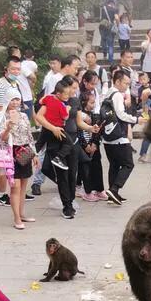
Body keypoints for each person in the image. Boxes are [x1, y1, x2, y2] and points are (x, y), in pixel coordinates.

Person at [35, 75, 87, 219]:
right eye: (73, 87)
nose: (75, 90)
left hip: (72, 143)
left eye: (76, 88)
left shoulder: (75, 101)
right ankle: (67, 206)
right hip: (55, 142)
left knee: (72, 175)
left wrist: (90, 127)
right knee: (62, 176)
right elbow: (39, 117)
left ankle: (70, 200)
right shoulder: (53, 100)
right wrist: (53, 128)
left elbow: (78, 122)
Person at [0, 92, 38, 230]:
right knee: (15, 187)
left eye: (18, 99)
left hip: (25, 151)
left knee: (23, 185)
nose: (16, 102)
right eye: (13, 99)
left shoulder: (23, 115)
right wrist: (8, 126)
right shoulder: (0, 118)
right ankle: (16, 218)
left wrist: (34, 153)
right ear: (7, 100)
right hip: (10, 153)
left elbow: (29, 135)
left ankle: (21, 213)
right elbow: (1, 138)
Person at [102, 69, 147, 204]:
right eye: (125, 83)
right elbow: (121, 115)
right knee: (128, 164)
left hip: (108, 137)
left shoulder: (107, 93)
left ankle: (112, 194)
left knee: (114, 165)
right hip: (118, 136)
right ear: (117, 81)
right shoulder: (117, 95)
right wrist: (136, 119)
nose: (127, 86)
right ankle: (115, 189)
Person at [0, 57, 22, 207]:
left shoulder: (15, 83)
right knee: (1, 163)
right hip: (3, 129)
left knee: (13, 163)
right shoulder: (0, 85)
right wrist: (5, 128)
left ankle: (15, 190)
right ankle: (2, 194)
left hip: (15, 129)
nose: (16, 72)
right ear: (6, 69)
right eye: (13, 69)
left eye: (18, 69)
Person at [36, 80, 72, 171]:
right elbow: (65, 117)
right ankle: (59, 157)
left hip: (46, 127)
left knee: (38, 145)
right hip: (57, 128)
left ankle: (22, 159)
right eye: (66, 94)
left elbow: (40, 101)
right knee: (68, 142)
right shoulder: (61, 105)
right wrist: (67, 109)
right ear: (59, 94)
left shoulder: (48, 98)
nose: (68, 96)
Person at [77, 90, 106, 201]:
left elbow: (97, 131)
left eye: (94, 102)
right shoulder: (79, 116)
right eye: (91, 102)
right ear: (84, 102)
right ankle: (88, 192)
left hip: (94, 146)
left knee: (97, 167)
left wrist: (94, 143)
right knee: (85, 169)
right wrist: (86, 146)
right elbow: (79, 133)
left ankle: (99, 190)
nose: (93, 105)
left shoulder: (95, 115)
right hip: (83, 147)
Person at [19, 48, 38, 120]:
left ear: (24, 56)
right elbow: (34, 76)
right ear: (33, 57)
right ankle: (36, 123)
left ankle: (36, 123)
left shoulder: (22, 64)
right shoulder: (34, 64)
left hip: (23, 87)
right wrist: (32, 86)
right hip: (29, 87)